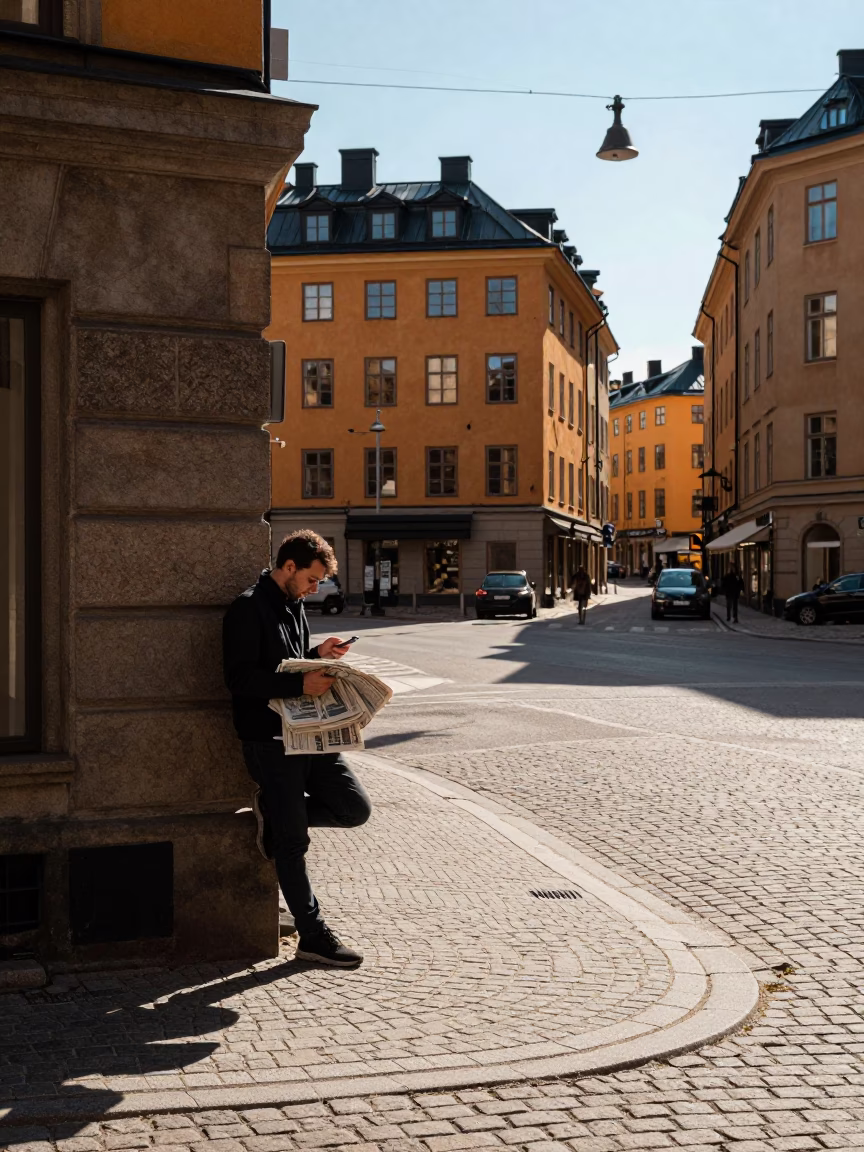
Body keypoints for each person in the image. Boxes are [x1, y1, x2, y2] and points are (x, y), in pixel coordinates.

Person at [223, 530, 371, 967]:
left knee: (354, 808)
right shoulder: (247, 608)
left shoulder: (293, 606)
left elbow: (286, 661)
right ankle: (313, 936)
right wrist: (298, 683)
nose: (314, 588)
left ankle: (274, 815)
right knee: (293, 842)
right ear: (289, 567)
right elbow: (239, 679)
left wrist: (317, 653)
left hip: (310, 734)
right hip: (270, 741)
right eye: (311, 579)